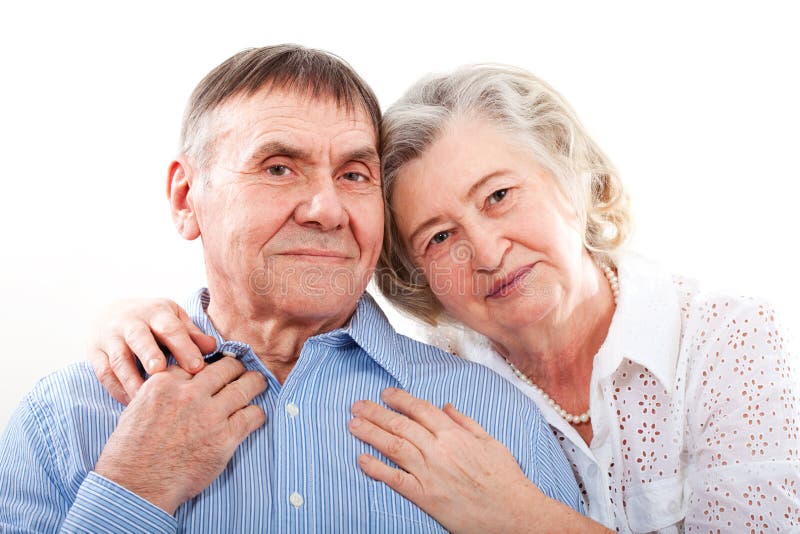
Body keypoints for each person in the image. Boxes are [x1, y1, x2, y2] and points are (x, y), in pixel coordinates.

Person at [89, 64, 800, 532]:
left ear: (571, 178)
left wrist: (523, 518)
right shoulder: (446, 384)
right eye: (437, 237)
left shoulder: (722, 337)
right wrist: (136, 319)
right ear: (410, 273)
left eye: (499, 195)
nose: (486, 253)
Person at [0, 47, 585, 532]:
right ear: (186, 198)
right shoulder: (64, 418)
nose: (327, 209)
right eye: (279, 168)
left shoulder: (496, 423)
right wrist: (133, 491)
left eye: (354, 174)